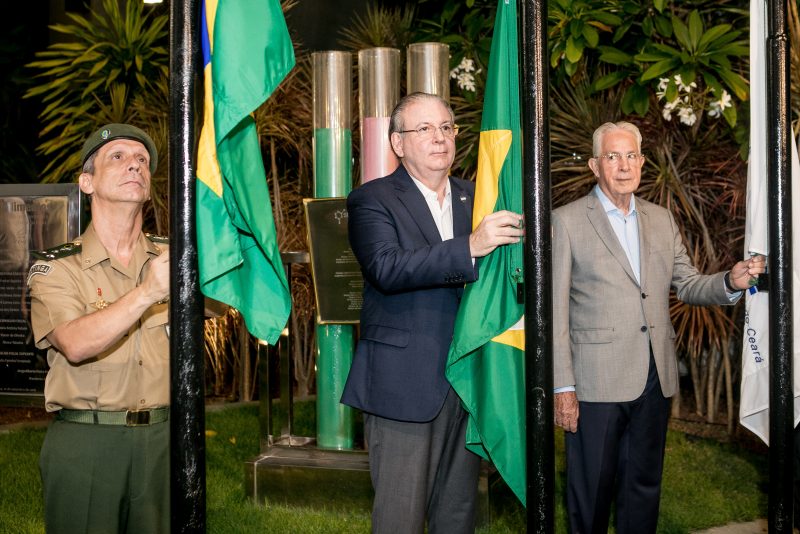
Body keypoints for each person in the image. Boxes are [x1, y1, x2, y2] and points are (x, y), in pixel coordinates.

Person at [552, 121, 766, 533]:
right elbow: (556, 311)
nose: (624, 165)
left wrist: (730, 281)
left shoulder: (661, 219)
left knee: (643, 490)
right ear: (596, 165)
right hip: (596, 384)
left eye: (631, 155)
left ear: (643, 162)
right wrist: (564, 387)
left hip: (655, 378)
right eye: (613, 156)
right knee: (590, 495)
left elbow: (687, 284)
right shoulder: (567, 221)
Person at [341, 92, 523, 533]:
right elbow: (386, 267)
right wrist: (470, 248)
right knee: (400, 518)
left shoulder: (478, 198)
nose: (439, 138)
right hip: (403, 385)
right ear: (398, 143)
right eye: (424, 129)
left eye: (446, 127)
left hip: (469, 382)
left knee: (458, 515)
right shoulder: (372, 199)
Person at [28, 123, 170, 534]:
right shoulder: (57, 266)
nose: (135, 166)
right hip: (88, 443)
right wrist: (147, 293)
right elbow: (74, 342)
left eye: (142, 160)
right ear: (86, 182)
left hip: (164, 439)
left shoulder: (173, 256)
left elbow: (230, 294)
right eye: (118, 157)